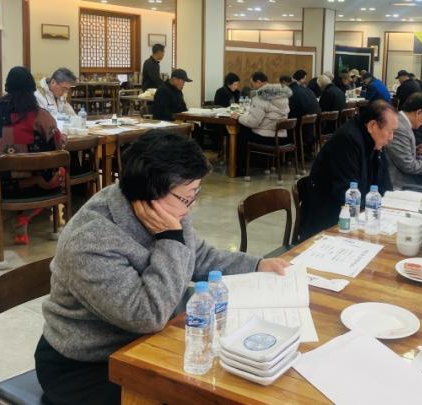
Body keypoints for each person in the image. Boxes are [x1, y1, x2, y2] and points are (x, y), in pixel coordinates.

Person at [34, 132, 289, 405]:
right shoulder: (91, 240)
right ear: (152, 193)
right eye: (188, 197)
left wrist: (257, 265)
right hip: (86, 364)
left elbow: (197, 255)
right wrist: (170, 239)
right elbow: (147, 315)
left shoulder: (166, 209)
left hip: (144, 343)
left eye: (195, 194)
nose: (192, 205)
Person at [0, 67, 66, 245]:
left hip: (4, 185)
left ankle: (18, 218)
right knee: (61, 173)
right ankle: (24, 217)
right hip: (40, 184)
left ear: (7, 87)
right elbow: (56, 147)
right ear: (32, 88)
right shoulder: (40, 115)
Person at [298, 100, 397, 241]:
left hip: (357, 217)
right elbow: (347, 195)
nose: (391, 137)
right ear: (373, 126)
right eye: (390, 131)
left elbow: (384, 185)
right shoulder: (347, 140)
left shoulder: (374, 141)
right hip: (329, 221)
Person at [232, 72, 292, 177]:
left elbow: (254, 122)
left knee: (241, 135)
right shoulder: (280, 93)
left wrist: (238, 117)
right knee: (246, 131)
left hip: (267, 137)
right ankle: (261, 164)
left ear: (259, 82)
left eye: (253, 84)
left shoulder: (260, 96)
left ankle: (241, 169)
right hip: (281, 136)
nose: (252, 87)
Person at [282, 72, 320, 149]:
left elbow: (287, 113)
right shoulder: (308, 90)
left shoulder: (290, 92)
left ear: (285, 83)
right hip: (312, 131)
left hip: (298, 133)